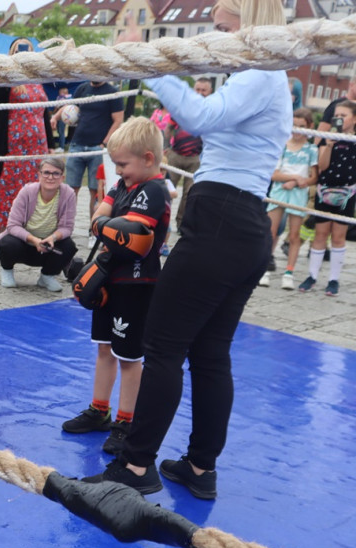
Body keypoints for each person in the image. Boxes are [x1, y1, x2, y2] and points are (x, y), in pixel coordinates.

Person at [84, 0, 293, 499]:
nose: (216, 39)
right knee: (210, 352)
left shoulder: (260, 72)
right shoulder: (267, 77)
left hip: (220, 221)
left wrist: (149, 58)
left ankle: (135, 467)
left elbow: (199, 115)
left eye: (223, 29)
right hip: (244, 226)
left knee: (162, 347)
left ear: (252, 25)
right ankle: (200, 467)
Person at [64, 119, 169, 456]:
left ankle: (126, 422)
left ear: (149, 158)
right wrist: (108, 225)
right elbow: (100, 219)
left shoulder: (154, 189)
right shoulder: (123, 186)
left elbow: (133, 239)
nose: (119, 171)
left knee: (129, 357)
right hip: (109, 277)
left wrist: (107, 226)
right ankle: (99, 410)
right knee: (104, 348)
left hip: (137, 284)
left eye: (123, 165)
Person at [0, 38, 50, 231]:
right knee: (5, 190)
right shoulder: (5, 80)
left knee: (35, 192)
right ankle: (4, 236)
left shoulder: (37, 79)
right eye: (19, 49)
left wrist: (51, 145)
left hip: (36, 150)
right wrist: (9, 69)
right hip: (10, 149)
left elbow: (45, 113)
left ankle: (29, 233)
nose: (23, 52)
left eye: (28, 49)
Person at [0, 158, 78, 291]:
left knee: (69, 246)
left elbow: (67, 227)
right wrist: (34, 240)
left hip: (49, 245)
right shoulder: (27, 191)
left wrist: (52, 238)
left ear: (62, 177)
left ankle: (47, 276)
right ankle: (7, 271)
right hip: (24, 242)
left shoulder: (69, 194)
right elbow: (12, 225)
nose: (50, 177)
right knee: (6, 244)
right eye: (46, 173)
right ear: (39, 175)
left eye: (56, 173)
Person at [299, 100, 356, 296]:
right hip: (325, 191)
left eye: (344, 116)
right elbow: (322, 166)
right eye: (336, 116)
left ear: (354, 119)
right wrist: (329, 145)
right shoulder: (327, 138)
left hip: (347, 194)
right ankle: (312, 275)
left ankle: (334, 279)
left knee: (338, 236)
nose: (339, 119)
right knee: (321, 233)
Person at [50, 80, 124, 218]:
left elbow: (118, 120)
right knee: (70, 191)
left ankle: (93, 230)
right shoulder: (82, 89)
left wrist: (104, 143)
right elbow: (70, 106)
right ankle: (66, 229)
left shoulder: (112, 92)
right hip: (76, 145)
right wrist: (55, 117)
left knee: (96, 192)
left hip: (97, 148)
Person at [262, 108, 317, 289]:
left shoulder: (311, 149)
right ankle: (264, 269)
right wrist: (293, 179)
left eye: (302, 127)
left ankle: (289, 272)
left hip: (298, 195)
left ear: (309, 127)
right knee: (271, 231)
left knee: (294, 235)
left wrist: (297, 183)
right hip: (279, 192)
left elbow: (313, 177)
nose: (297, 130)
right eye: (294, 125)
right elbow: (274, 174)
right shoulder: (282, 146)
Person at [163, 77, 213, 231]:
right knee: (166, 189)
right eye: (197, 89)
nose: (199, 93)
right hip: (175, 155)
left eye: (203, 90)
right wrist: (166, 147)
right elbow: (168, 128)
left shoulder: (211, 110)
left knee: (189, 194)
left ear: (210, 91)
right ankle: (163, 222)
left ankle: (181, 225)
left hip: (196, 159)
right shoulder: (183, 107)